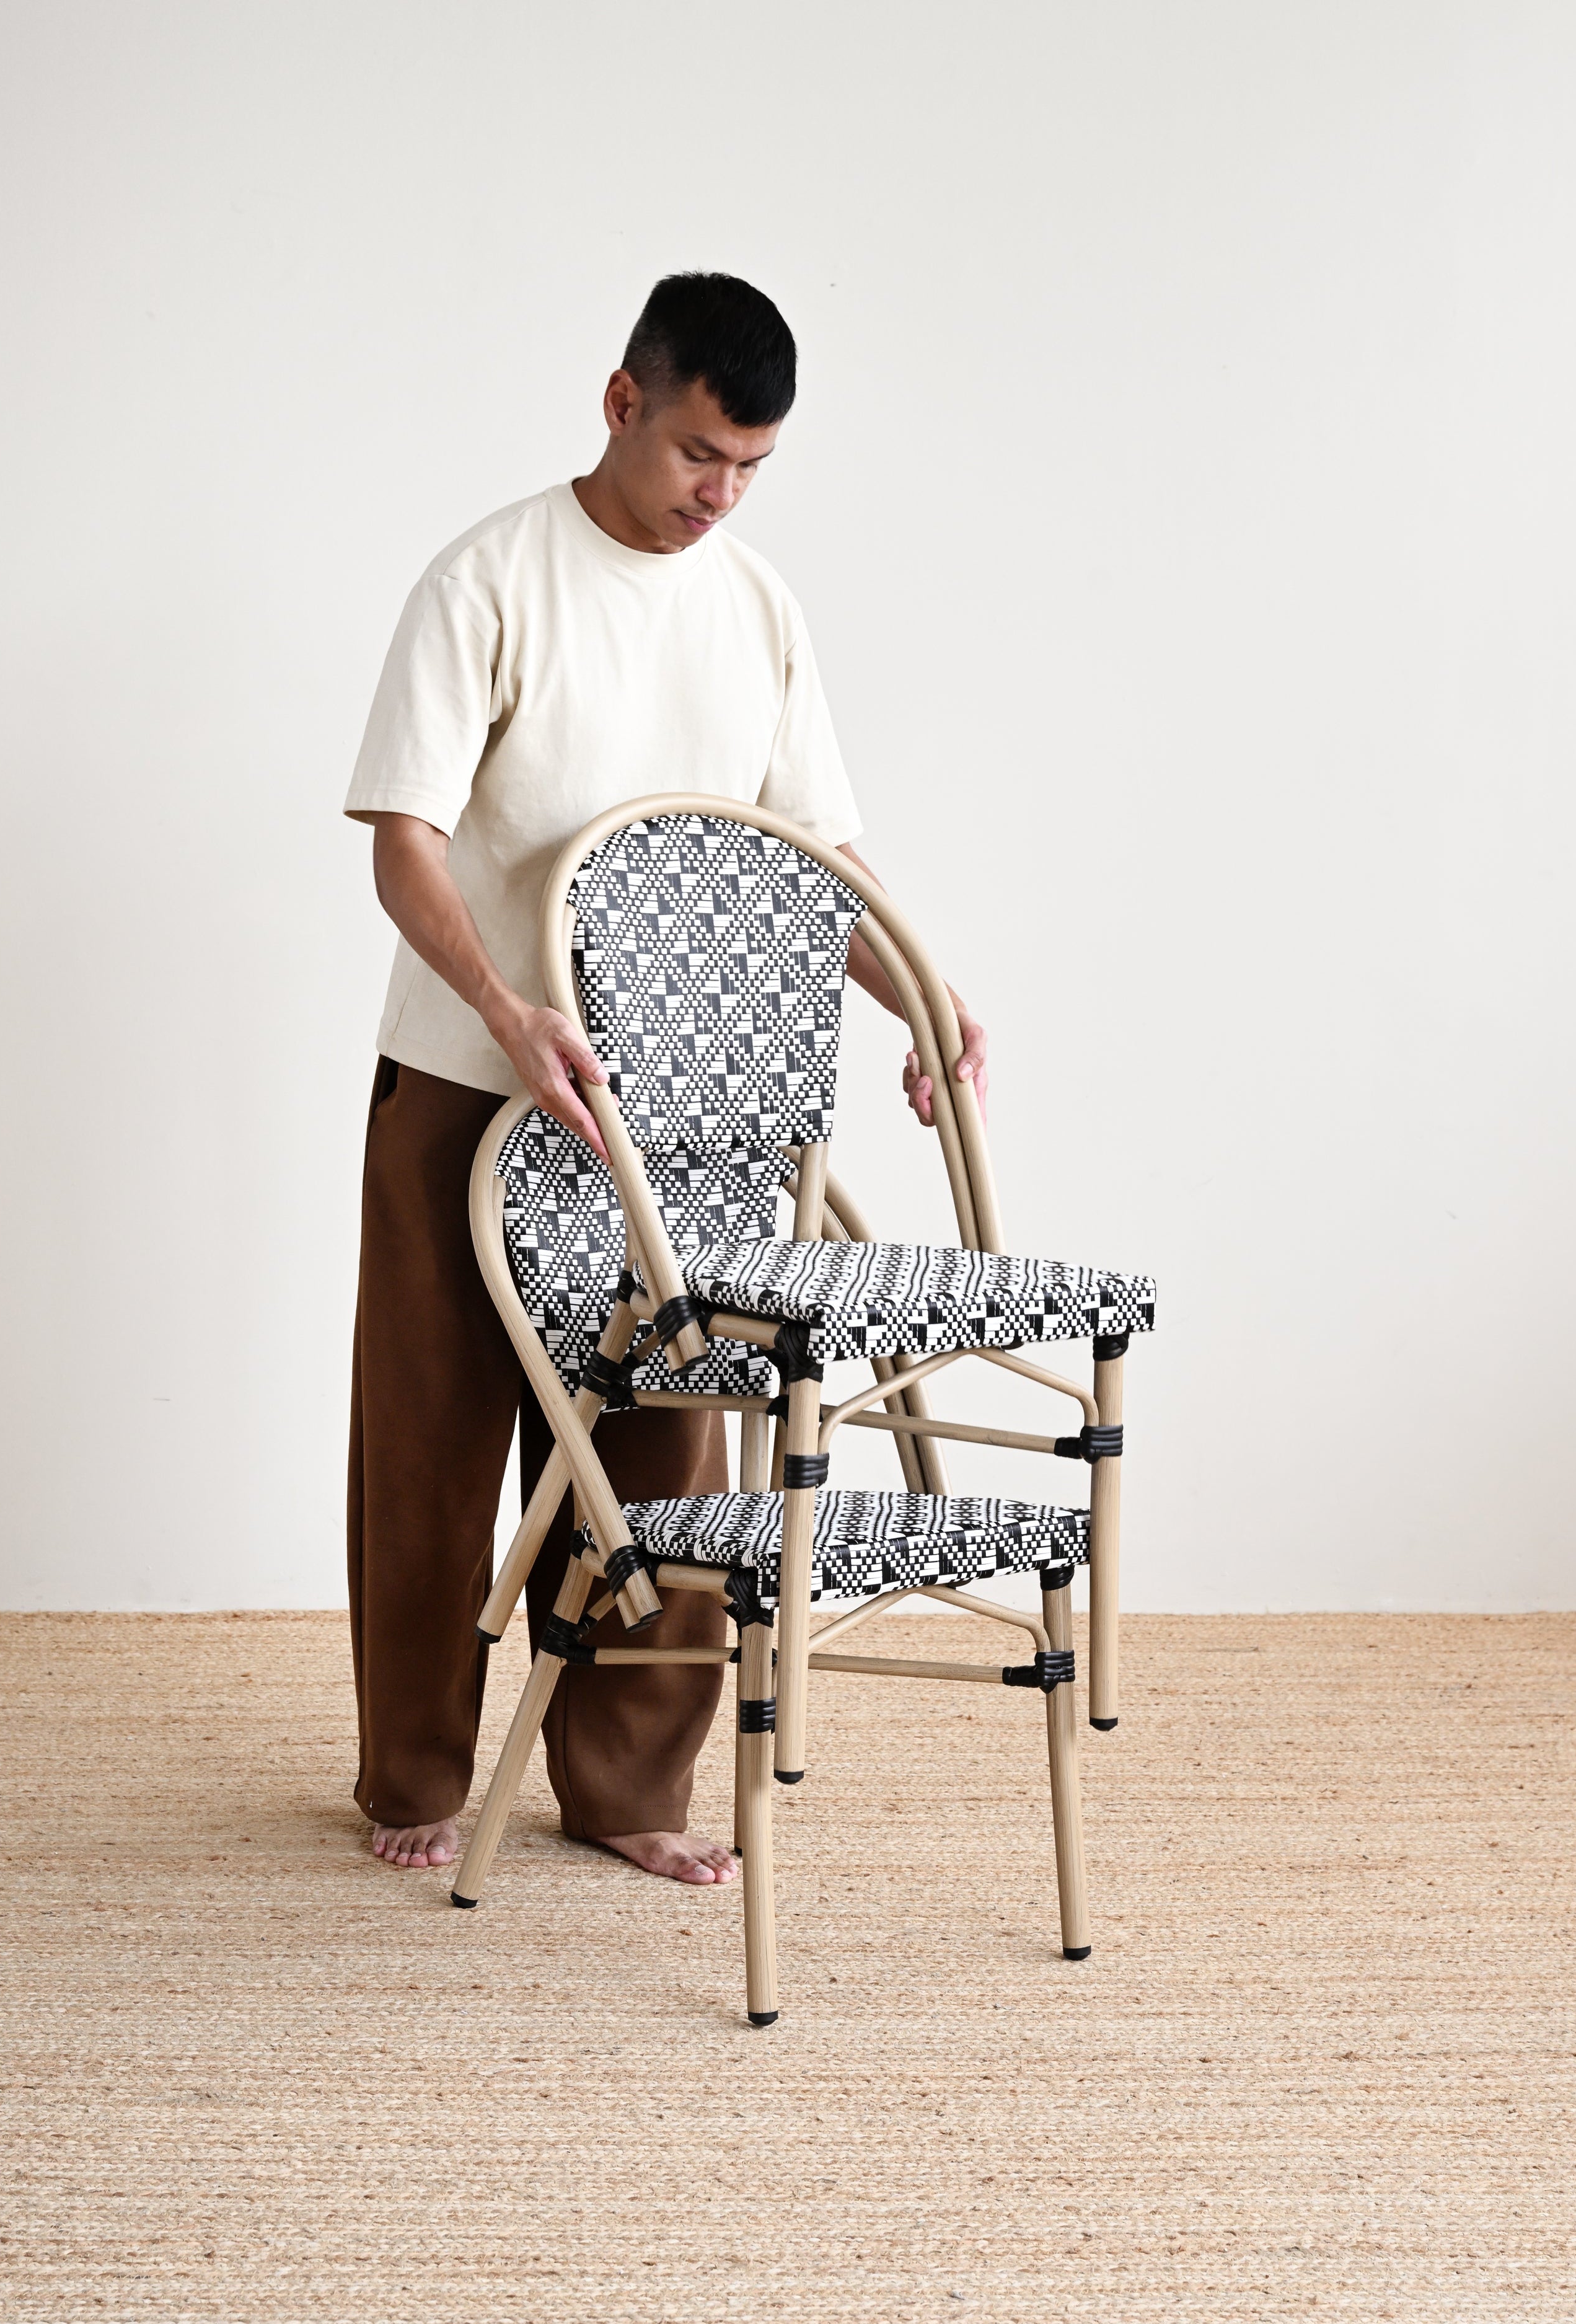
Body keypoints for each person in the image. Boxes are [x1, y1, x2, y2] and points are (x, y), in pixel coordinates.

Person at [343, 272, 988, 1883]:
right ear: (621, 402)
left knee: (667, 1441)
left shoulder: (756, 608)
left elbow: (815, 856)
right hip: (469, 1076)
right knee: (431, 1442)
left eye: (753, 467)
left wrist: (920, 988)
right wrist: (503, 1009)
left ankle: (630, 1793)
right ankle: (412, 1778)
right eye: (702, 451)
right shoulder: (489, 578)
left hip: (676, 1119)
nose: (722, 493)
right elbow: (404, 842)